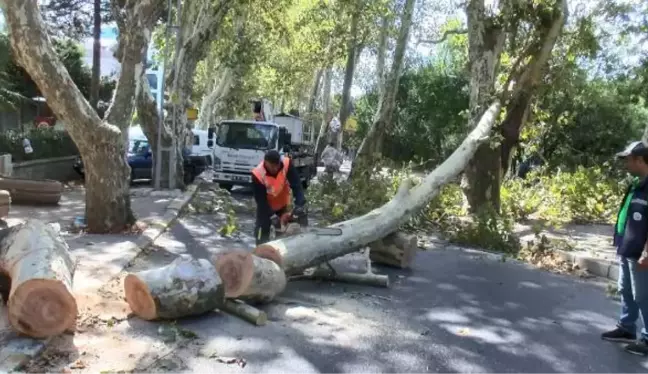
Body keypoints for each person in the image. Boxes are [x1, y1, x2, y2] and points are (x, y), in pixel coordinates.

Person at [601, 140, 648, 356]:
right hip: (627, 247)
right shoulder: (636, 184)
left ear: (640, 160)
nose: (625, 164)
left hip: (641, 253)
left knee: (644, 295)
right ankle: (627, 328)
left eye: (628, 160)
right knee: (626, 290)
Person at [252, 150, 307, 245]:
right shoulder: (257, 174)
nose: (275, 168)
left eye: (277, 165)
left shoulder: (286, 163)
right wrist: (272, 215)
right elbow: (261, 200)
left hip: (283, 203)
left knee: (283, 232)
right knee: (262, 229)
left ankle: (281, 251)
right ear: (266, 162)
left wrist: (300, 203)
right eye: (272, 166)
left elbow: (297, 185)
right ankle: (260, 251)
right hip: (266, 206)